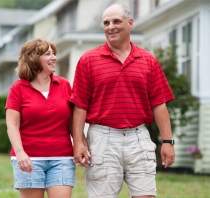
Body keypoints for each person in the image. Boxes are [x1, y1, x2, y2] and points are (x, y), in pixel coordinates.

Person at [70, 3, 175, 198]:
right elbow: (80, 106)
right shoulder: (88, 60)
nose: (110, 26)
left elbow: (159, 104)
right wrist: (78, 141)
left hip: (139, 138)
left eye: (116, 21)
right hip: (103, 139)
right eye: (106, 23)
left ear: (130, 23)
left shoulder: (148, 60)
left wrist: (167, 142)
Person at [5, 38, 75, 198]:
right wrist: (21, 153)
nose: (54, 57)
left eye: (54, 53)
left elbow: (72, 122)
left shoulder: (64, 85)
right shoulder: (18, 88)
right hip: (29, 159)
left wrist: (79, 144)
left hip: (61, 158)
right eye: (48, 54)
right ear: (33, 58)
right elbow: (12, 124)